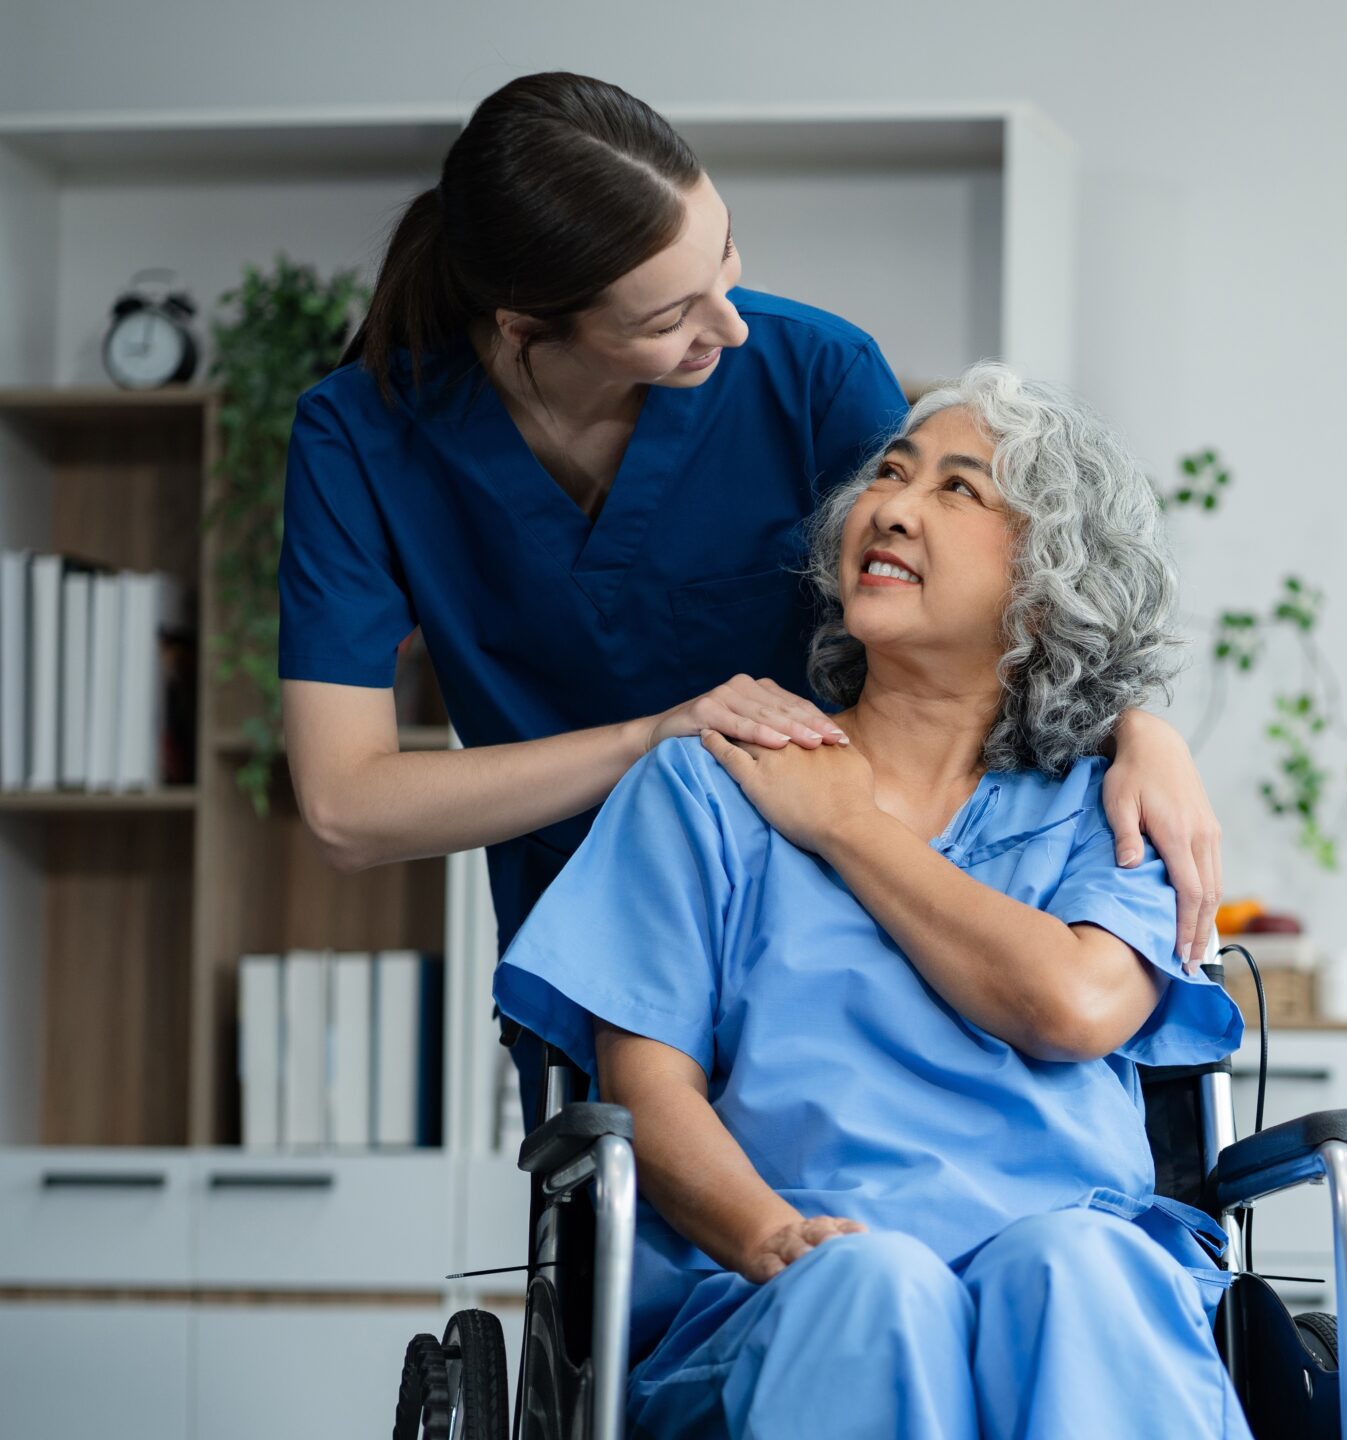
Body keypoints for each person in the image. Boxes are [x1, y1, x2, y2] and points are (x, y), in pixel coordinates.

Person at [495, 363, 1252, 1440]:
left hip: (1061, 1300)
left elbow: (1077, 1004)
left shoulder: (1108, 811)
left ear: (1041, 589)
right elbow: (643, 1081)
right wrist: (763, 1233)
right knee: (876, 1286)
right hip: (789, 1295)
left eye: (958, 487)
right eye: (890, 472)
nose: (893, 503)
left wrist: (851, 823)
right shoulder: (710, 785)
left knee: (1083, 1263)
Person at [275, 70, 1224, 1063]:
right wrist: (657, 736)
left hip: (839, 925)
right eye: (666, 319)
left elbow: (958, 596)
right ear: (527, 329)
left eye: (723, 253)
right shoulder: (362, 437)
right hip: (623, 953)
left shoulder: (808, 372)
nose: (729, 327)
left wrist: (1137, 729)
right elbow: (347, 806)